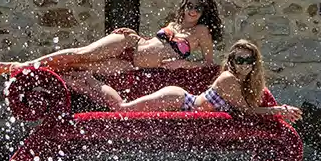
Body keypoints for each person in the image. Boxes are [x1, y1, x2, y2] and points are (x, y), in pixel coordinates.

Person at [0, 0, 221, 106]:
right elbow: (154, 45)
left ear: (204, 12)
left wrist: (185, 64)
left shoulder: (202, 32)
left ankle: (35, 74)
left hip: (130, 65)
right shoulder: (174, 23)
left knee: (81, 69)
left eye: (198, 8)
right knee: (81, 54)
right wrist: (135, 36)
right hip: (130, 44)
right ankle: (23, 66)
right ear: (184, 6)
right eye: (190, 6)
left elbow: (209, 64)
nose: (193, 11)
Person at [118, 39, 299, 121]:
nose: (245, 65)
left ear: (255, 64)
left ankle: (89, 83)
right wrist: (279, 110)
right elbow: (247, 111)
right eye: (240, 60)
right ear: (232, 62)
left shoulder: (248, 82)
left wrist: (278, 111)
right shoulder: (229, 78)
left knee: (123, 109)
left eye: (249, 60)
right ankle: (91, 83)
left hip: (183, 102)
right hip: (179, 100)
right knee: (122, 110)